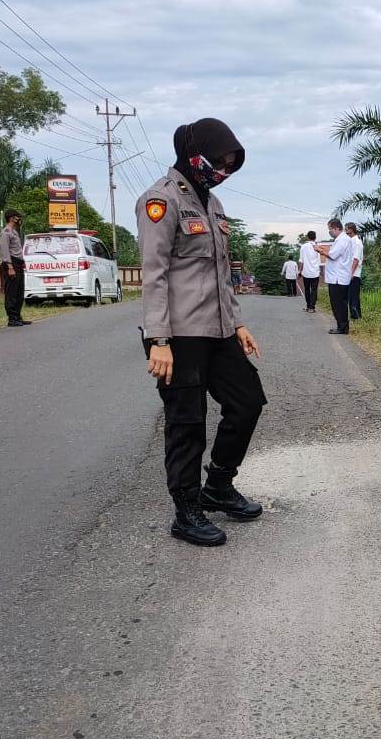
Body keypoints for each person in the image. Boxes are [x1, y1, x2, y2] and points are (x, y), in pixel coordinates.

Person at [136, 117, 266, 547]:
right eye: (219, 162)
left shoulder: (212, 204)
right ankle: (187, 508)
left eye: (230, 165)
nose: (223, 171)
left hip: (219, 330)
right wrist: (159, 340)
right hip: (179, 334)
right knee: (187, 421)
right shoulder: (161, 200)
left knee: (247, 402)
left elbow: (221, 272)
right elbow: (153, 275)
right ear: (194, 154)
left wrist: (240, 322)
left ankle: (218, 485)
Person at [315, 218, 355, 335]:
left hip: (338, 278)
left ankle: (342, 327)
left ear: (337, 228)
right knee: (338, 303)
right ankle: (341, 326)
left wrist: (319, 251)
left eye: (330, 229)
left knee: (338, 304)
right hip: (338, 277)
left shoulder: (342, 240)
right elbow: (333, 253)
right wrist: (323, 250)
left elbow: (332, 255)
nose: (330, 232)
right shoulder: (340, 240)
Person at [0, 209, 30, 328]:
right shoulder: (6, 232)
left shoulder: (15, 232)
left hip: (18, 263)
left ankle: (17, 316)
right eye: (18, 217)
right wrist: (10, 267)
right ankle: (12, 318)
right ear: (12, 218)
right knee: (11, 292)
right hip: (11, 264)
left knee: (19, 292)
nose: (20, 219)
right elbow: (5, 251)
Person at [344, 222, 364, 320]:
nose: (345, 231)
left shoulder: (357, 242)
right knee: (350, 297)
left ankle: (356, 317)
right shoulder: (351, 241)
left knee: (353, 297)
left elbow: (356, 259)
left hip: (354, 274)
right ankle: (355, 316)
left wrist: (351, 273)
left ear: (351, 229)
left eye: (346, 229)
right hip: (350, 273)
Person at [298, 231, 321, 313]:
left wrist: (299, 271)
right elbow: (319, 260)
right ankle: (312, 307)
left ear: (307, 237)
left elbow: (301, 260)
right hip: (315, 272)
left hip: (306, 272)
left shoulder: (303, 246)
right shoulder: (317, 247)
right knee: (314, 290)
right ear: (315, 237)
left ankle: (308, 306)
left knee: (307, 289)